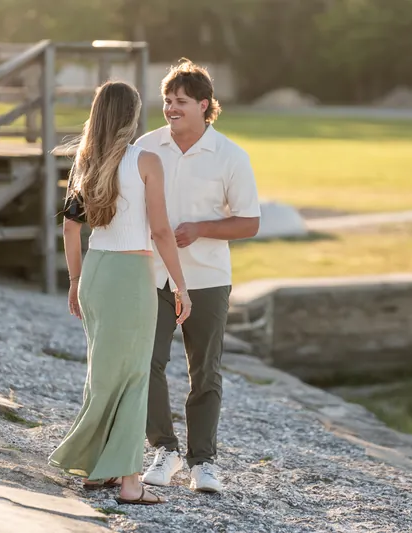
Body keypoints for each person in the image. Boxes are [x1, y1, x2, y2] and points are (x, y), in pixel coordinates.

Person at [48, 80, 192, 506]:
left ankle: (98, 470)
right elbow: (162, 231)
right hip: (131, 275)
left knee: (104, 374)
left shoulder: (84, 161)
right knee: (132, 376)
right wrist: (181, 285)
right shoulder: (146, 161)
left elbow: (71, 227)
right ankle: (131, 483)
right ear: (131, 116)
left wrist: (75, 281)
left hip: (95, 271)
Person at [136, 59, 261, 493]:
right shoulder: (147, 147)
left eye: (181, 102)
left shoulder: (230, 155)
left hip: (207, 278)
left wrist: (201, 229)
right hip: (152, 276)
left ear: (205, 105)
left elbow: (249, 223)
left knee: (204, 372)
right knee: (146, 364)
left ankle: (202, 462)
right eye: (167, 101)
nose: (171, 108)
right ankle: (164, 450)